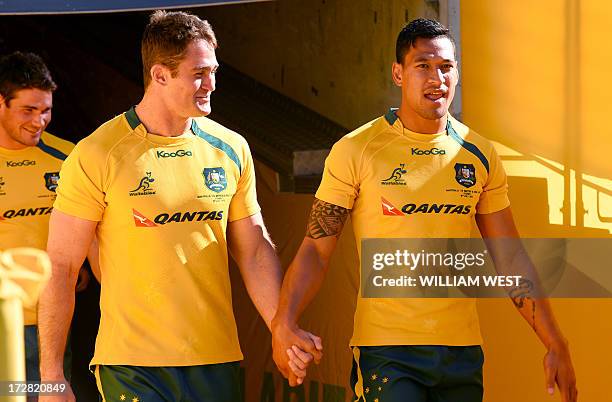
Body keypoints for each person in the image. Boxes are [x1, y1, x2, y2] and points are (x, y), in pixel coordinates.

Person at [271, 18, 578, 402]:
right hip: (388, 352)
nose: (437, 79)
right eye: (423, 66)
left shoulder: (479, 154)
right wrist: (284, 321)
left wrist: (555, 342)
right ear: (399, 74)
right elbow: (316, 248)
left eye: (446, 67)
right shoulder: (356, 149)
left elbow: (510, 256)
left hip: (461, 355)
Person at [37, 10, 317, 402]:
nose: (211, 84)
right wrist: (51, 375)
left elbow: (253, 249)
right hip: (131, 365)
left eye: (214, 71)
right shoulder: (97, 153)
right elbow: (62, 266)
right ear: (160, 75)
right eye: (199, 73)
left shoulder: (231, 148)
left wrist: (280, 326)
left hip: (216, 360)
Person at [0, 51, 92, 400]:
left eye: (46, 110)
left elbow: (91, 227)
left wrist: (80, 263)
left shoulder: (69, 158)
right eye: (28, 110)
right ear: (1, 103)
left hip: (49, 327)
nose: (39, 121)